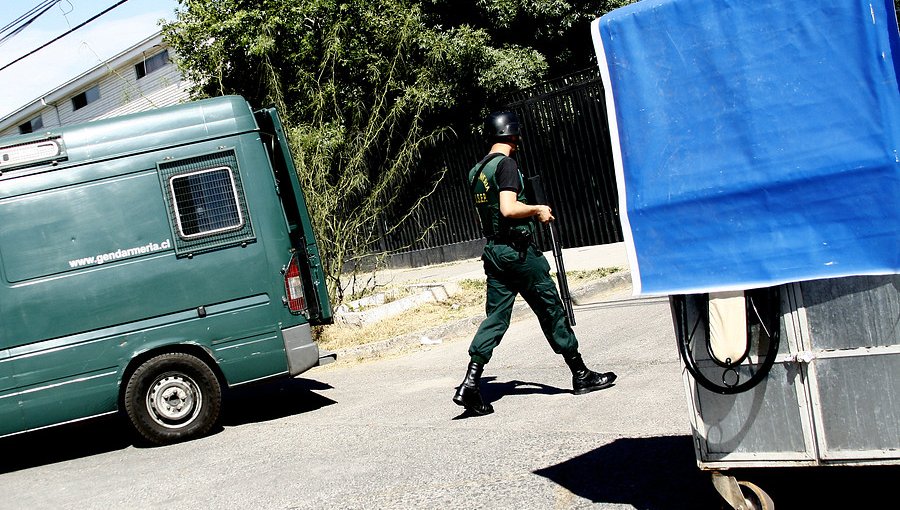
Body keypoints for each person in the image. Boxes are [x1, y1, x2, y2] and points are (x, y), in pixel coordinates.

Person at [452, 110, 617, 416]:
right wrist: (538, 209)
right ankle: (581, 375)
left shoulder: (476, 172)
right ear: (513, 136)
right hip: (520, 254)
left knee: (496, 318)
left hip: (495, 253)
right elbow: (508, 208)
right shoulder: (507, 165)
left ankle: (470, 384)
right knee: (551, 310)